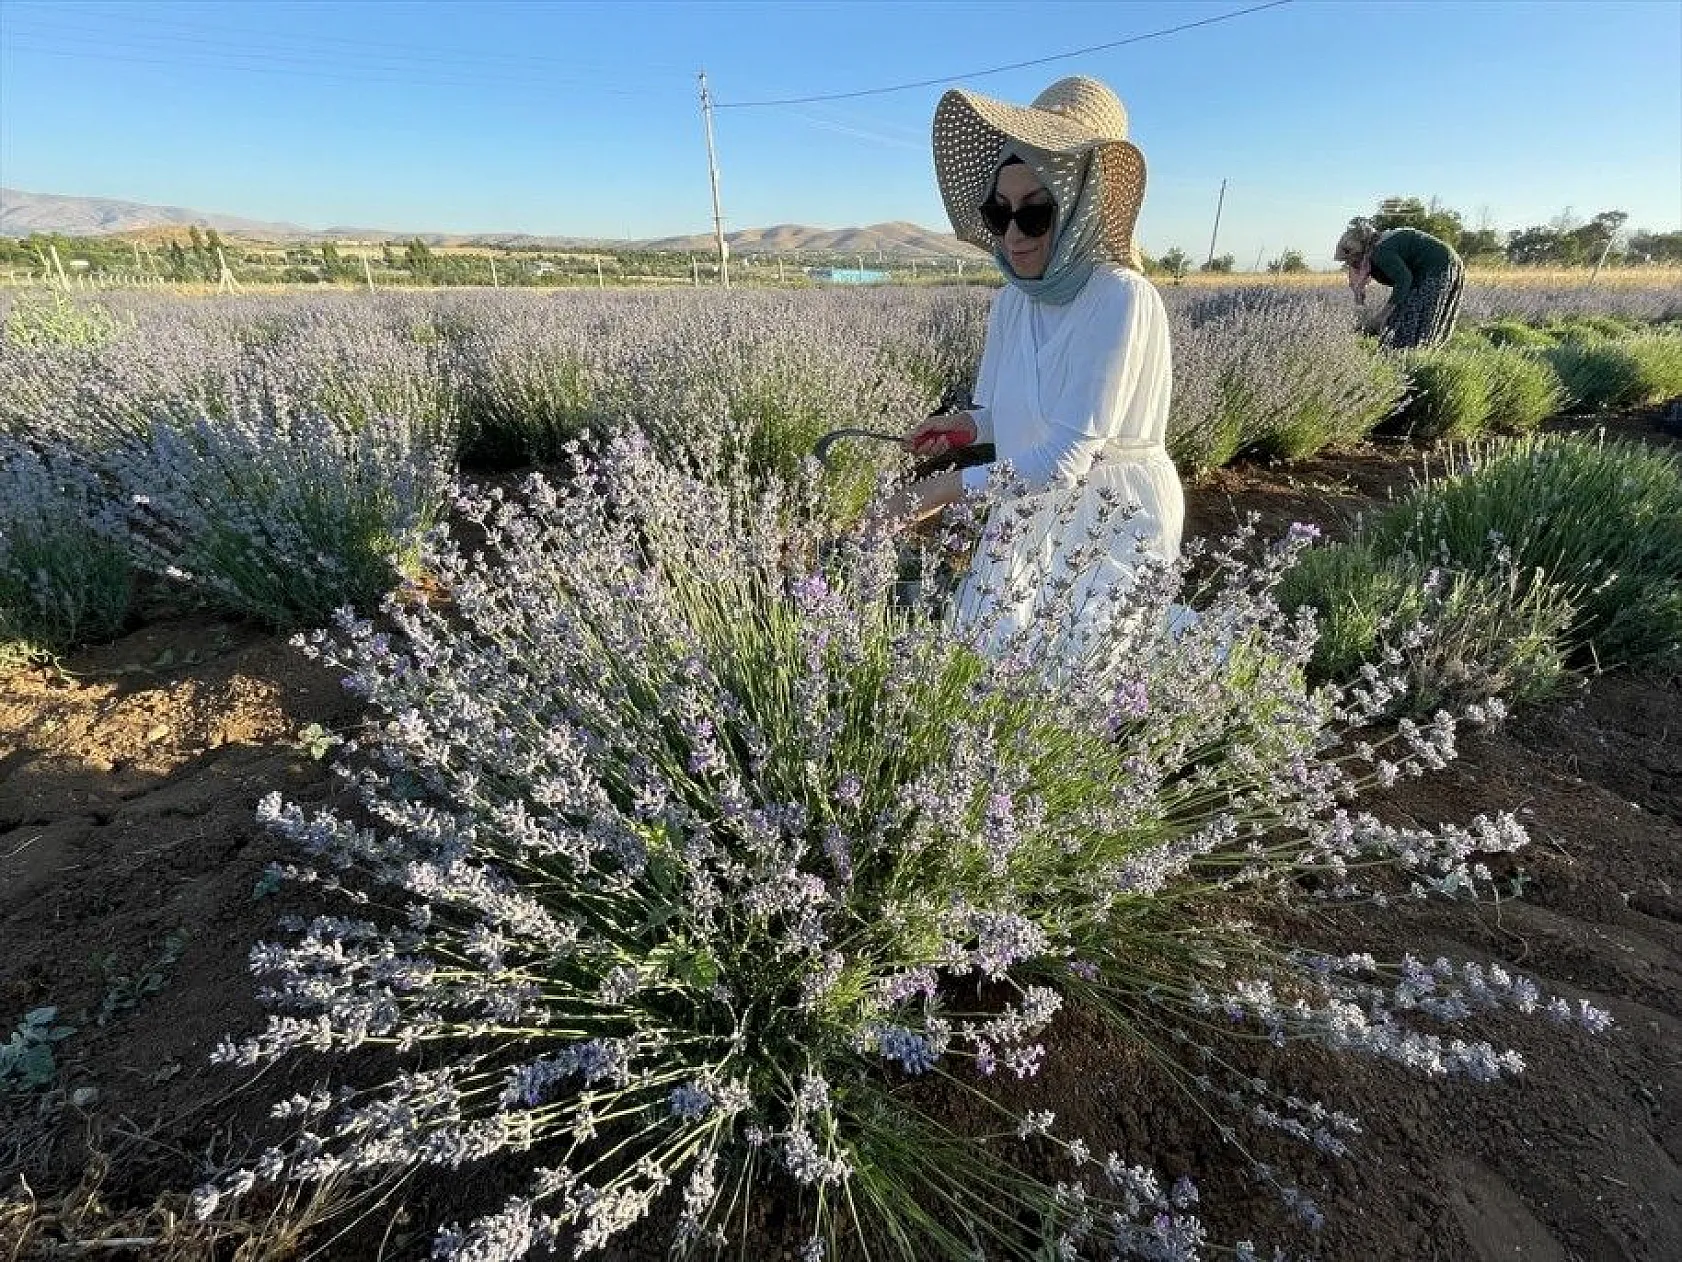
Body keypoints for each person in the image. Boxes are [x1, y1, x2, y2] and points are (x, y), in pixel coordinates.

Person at [890, 74, 1184, 659]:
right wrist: (966, 428)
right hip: (1023, 508)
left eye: (1035, 214)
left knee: (1079, 692)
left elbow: (1065, 461)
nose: (1013, 237)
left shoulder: (1119, 298)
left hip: (1109, 519)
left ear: (1083, 203)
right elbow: (1006, 415)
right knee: (984, 667)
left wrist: (937, 491)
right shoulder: (1013, 299)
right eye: (999, 215)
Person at [1334, 218, 1466, 349]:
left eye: (1351, 259)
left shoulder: (1380, 252)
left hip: (1438, 266)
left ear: (1360, 250)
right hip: (1447, 263)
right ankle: (1416, 354)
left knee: (1412, 317)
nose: (1350, 263)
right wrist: (1360, 298)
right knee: (1410, 317)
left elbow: (1404, 280)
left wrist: (1383, 315)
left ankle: (1407, 354)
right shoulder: (1378, 246)